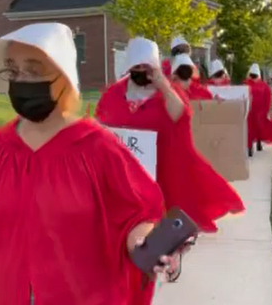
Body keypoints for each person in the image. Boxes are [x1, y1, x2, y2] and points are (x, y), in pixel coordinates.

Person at [0, 23, 176, 305]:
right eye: (14, 70)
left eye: (34, 70)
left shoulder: (99, 150)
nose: (21, 80)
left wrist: (144, 243)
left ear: (64, 77)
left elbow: (136, 217)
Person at [95, 37, 245, 234]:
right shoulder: (116, 92)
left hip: (161, 162)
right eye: (137, 66)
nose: (142, 71)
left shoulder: (167, 91)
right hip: (127, 165)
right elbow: (102, 121)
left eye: (146, 66)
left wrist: (162, 84)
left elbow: (180, 115)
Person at [245, 63, 272, 157]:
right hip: (258, 110)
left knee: (251, 129)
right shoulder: (263, 85)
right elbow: (268, 98)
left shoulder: (247, 84)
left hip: (252, 110)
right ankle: (256, 144)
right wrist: (268, 109)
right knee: (257, 128)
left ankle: (252, 146)